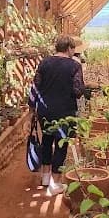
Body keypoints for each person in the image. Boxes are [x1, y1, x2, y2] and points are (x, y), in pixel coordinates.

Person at [32, 34, 86, 195]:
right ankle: (55, 184)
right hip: (64, 111)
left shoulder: (44, 62)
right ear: (69, 48)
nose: (73, 52)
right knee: (61, 144)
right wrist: (84, 87)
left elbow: (35, 86)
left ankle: (45, 177)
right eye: (73, 49)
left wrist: (31, 109)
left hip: (44, 110)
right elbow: (77, 91)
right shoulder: (74, 66)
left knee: (47, 141)